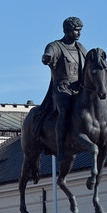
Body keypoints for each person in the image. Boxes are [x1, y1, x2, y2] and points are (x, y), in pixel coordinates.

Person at [40, 17, 88, 162]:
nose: (78, 33)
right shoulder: (55, 46)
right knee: (65, 109)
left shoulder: (81, 48)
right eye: (76, 30)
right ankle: (60, 147)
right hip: (62, 89)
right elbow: (47, 56)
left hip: (79, 88)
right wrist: (47, 58)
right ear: (67, 30)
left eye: (80, 30)